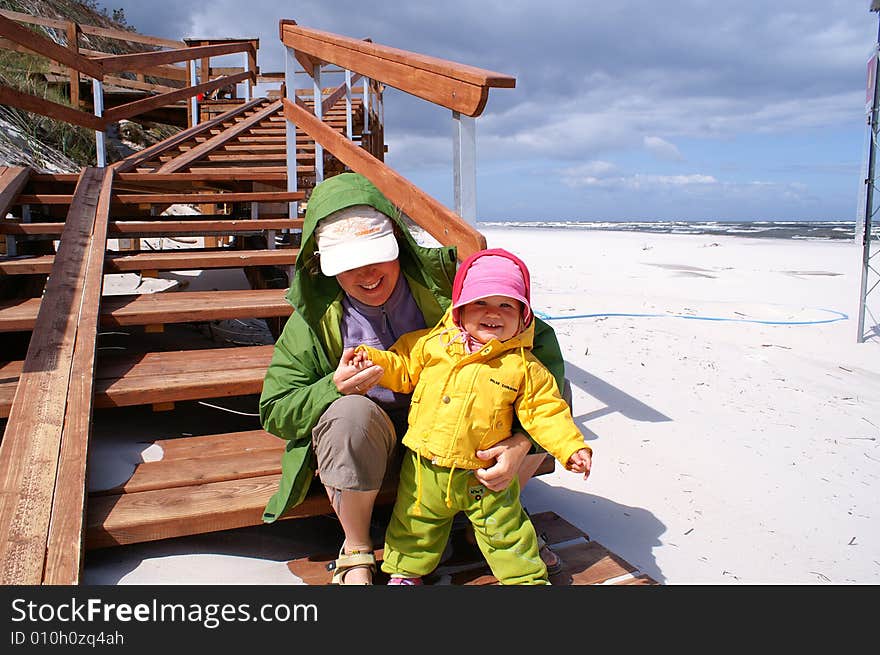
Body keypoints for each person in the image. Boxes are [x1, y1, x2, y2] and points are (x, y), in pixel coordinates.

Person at [259, 172, 570, 584]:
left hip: (468, 445)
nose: (366, 274)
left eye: (376, 255)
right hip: (377, 453)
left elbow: (539, 347)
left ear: (398, 246)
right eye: (347, 265)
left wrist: (520, 442)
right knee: (349, 411)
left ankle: (495, 517)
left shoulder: (448, 285)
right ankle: (355, 549)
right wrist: (331, 387)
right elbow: (275, 409)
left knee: (553, 388)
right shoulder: (313, 321)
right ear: (324, 267)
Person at [353, 248, 592, 585]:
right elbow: (402, 367)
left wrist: (571, 448)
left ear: (524, 316)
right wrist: (372, 362)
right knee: (414, 523)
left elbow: (546, 411)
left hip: (485, 475)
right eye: (480, 302)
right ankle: (406, 573)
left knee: (507, 533)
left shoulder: (524, 367)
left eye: (506, 305)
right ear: (460, 309)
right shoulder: (432, 344)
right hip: (426, 467)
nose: (492, 312)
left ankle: (527, 580)